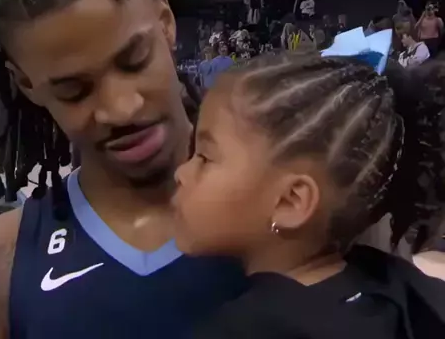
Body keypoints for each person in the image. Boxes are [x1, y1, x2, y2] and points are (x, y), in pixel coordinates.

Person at [0, 0, 244, 339]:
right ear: (27, 84)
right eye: (75, 90)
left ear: (166, 22)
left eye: (134, 61)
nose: (121, 108)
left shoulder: (309, 204)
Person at [174, 48, 445, 339]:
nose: (181, 173)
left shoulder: (241, 331)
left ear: (291, 201)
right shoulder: (409, 296)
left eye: (204, 157)